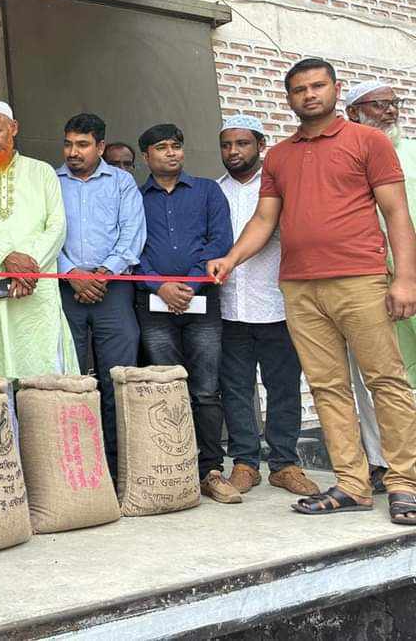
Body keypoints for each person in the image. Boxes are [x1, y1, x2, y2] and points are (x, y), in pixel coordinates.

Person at [209, 58, 416, 524]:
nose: (309, 95)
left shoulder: (370, 141)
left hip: (360, 278)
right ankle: (352, 484)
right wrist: (232, 258)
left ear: (335, 89)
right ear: (290, 98)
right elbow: (264, 220)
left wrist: (405, 278)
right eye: (299, 89)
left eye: (318, 86)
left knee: (385, 380)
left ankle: (405, 482)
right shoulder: (279, 156)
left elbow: (397, 213)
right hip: (299, 287)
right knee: (327, 387)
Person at [136, 123, 240, 504]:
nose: (171, 153)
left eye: (176, 146)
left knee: (206, 389)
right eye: (161, 147)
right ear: (146, 156)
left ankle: (210, 470)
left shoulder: (209, 192)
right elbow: (133, 248)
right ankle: (174, 468)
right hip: (153, 305)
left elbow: (220, 243)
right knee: (166, 389)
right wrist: (159, 285)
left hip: (202, 304)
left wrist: (191, 285)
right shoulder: (135, 196)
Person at [216, 115, 319, 497]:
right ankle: (245, 462)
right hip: (229, 307)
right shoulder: (214, 191)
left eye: (242, 144)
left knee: (283, 387)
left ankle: (285, 464)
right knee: (237, 388)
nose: (233, 151)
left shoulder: (281, 188)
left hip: (277, 303)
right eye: (226, 145)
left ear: (260, 146)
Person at [0, 100, 79, 378]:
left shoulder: (42, 172)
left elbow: (57, 227)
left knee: (42, 373)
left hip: (35, 287)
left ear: (14, 129)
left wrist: (26, 267)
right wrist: (7, 258)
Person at [57, 113, 145, 472]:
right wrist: (71, 273)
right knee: (70, 382)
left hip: (114, 292)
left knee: (117, 379)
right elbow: (43, 233)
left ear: (101, 147)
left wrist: (104, 274)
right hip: (65, 290)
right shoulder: (50, 181)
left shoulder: (122, 183)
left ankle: (120, 465)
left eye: (82, 144)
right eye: (68, 144)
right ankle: (79, 465)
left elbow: (132, 235)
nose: (73, 152)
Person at [342, 80, 414, 491]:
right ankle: (382, 460)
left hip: (410, 275)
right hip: (364, 281)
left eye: (393, 103)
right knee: (372, 377)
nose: (389, 111)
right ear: (352, 112)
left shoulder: (412, 153)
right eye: (377, 105)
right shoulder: (343, 157)